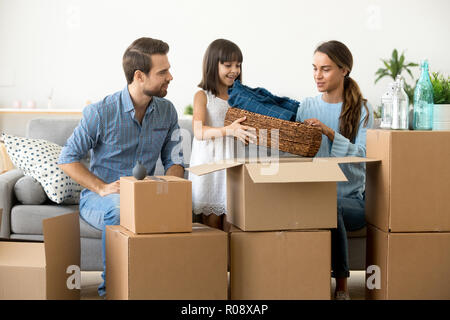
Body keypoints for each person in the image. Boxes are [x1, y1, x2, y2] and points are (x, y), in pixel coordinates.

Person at [58, 37, 185, 297]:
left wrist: (171, 191)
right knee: (119, 209)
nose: (170, 76)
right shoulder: (100, 112)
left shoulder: (168, 111)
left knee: (181, 208)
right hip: (101, 198)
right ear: (139, 76)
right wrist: (102, 188)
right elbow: (67, 158)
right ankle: (112, 291)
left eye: (168, 69)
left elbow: (175, 161)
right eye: (163, 72)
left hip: (144, 194)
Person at [295, 40, 373, 300]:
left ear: (344, 70)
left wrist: (329, 133)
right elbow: (296, 155)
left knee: (331, 205)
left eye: (325, 69)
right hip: (315, 196)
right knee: (318, 203)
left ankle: (341, 287)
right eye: (314, 68)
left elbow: (363, 156)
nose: (318, 76)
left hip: (352, 202)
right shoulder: (306, 106)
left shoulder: (362, 109)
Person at [188, 39, 256, 230]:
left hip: (233, 166)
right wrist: (228, 130)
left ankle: (233, 261)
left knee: (233, 223)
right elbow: (199, 131)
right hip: (211, 168)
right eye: (228, 65)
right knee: (212, 225)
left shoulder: (240, 97)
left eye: (238, 65)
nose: (234, 70)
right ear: (213, 65)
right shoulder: (203, 96)